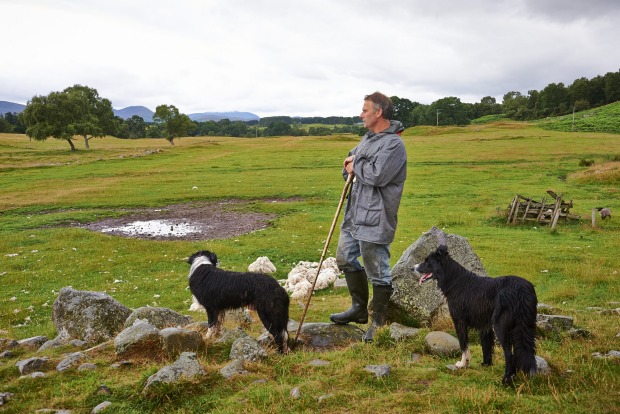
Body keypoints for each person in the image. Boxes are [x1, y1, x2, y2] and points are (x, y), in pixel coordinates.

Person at [330, 92, 407, 342]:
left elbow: (377, 176)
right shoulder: (367, 139)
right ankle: (359, 309)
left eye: (365, 110)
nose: (360, 114)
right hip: (354, 214)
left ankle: (378, 322)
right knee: (344, 258)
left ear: (379, 112)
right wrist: (349, 167)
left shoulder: (394, 144)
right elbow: (349, 168)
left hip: (376, 216)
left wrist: (355, 165)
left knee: (378, 270)